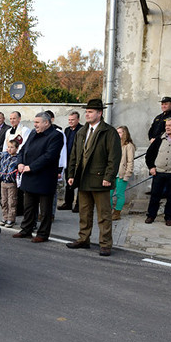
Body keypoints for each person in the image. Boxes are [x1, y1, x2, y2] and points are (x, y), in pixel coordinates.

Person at [66, 98, 122, 256]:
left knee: (104, 214)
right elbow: (74, 156)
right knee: (84, 212)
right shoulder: (82, 131)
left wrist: (109, 177)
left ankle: (105, 244)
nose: (87, 114)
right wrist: (71, 174)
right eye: (86, 111)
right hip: (83, 179)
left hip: (100, 180)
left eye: (90, 112)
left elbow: (114, 157)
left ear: (100, 113)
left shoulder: (109, 132)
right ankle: (83, 239)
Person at [12, 112, 63, 242]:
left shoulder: (56, 136)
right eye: (34, 122)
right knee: (28, 206)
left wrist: (31, 167)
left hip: (44, 178)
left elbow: (49, 156)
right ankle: (26, 230)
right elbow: (22, 150)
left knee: (45, 210)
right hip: (29, 176)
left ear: (46, 123)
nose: (34, 125)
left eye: (37, 122)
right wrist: (20, 163)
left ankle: (43, 234)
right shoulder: (33, 133)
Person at [58, 111, 83, 212]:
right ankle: (68, 203)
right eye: (69, 120)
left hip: (78, 160)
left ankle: (78, 205)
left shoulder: (82, 130)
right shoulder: (67, 130)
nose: (70, 122)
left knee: (79, 183)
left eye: (73, 120)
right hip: (68, 160)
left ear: (78, 119)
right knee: (69, 182)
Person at [111, 126, 136, 221]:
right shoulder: (114, 144)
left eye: (120, 132)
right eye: (117, 132)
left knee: (119, 194)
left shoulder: (129, 146)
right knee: (108, 194)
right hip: (112, 173)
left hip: (121, 174)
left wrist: (127, 174)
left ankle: (117, 213)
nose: (118, 134)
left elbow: (130, 162)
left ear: (125, 133)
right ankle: (109, 210)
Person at [0, 138, 20, 227]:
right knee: (4, 201)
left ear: (17, 148)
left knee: (11, 202)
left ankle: (11, 219)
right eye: (8, 147)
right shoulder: (5, 155)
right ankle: (5, 217)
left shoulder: (18, 158)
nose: (9, 149)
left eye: (12, 147)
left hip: (12, 183)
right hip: (3, 182)